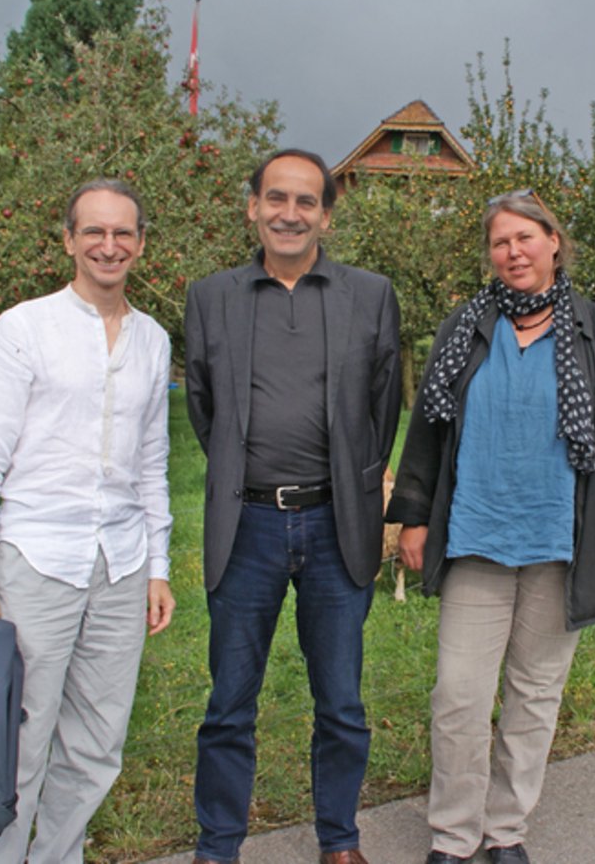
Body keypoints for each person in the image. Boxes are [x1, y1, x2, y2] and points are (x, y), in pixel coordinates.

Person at [386, 189, 595, 864]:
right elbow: (426, 426)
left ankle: (505, 829)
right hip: (477, 535)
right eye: (500, 241)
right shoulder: (465, 328)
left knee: (534, 695)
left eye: (525, 237)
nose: (512, 251)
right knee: (458, 693)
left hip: (561, 539)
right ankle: (453, 836)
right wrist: (414, 515)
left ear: (553, 242)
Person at [184, 148, 403, 864]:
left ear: (326, 217)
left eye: (306, 201)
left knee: (341, 701)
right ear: (252, 207)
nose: (289, 212)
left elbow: (383, 406)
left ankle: (339, 840)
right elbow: (202, 406)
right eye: (276, 198)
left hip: (336, 524)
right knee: (229, 705)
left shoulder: (370, 295)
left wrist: (358, 484)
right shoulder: (210, 297)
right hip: (245, 524)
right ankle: (219, 845)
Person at [0, 178, 176, 863]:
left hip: (120, 564)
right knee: (13, 739)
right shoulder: (25, 327)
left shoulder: (153, 339)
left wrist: (158, 566)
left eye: (123, 233)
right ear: (70, 239)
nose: (110, 246)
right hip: (36, 561)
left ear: (140, 242)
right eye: (94, 232)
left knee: (96, 744)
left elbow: (151, 464)